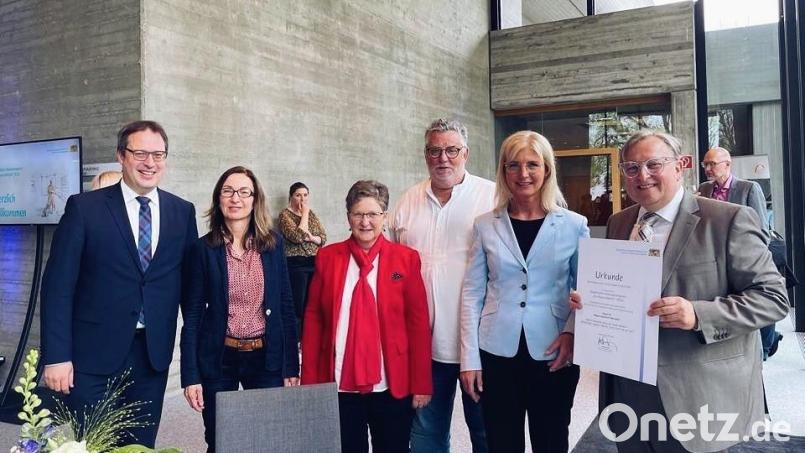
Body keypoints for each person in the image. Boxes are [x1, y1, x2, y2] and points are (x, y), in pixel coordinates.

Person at [570, 130, 788, 452]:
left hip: (699, 396)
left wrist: (698, 314)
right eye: (631, 168)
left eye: (653, 164)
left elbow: (772, 297)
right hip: (629, 392)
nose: (642, 176)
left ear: (679, 166)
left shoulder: (727, 220)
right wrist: (591, 302)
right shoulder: (619, 222)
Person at [40, 120, 198, 447]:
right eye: (140, 153)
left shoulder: (182, 212)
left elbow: (189, 290)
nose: (149, 162)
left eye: (158, 154)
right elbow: (58, 287)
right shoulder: (84, 209)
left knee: (139, 445)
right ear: (121, 156)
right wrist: (56, 356)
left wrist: (194, 364)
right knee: (94, 445)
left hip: (151, 356)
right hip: (91, 357)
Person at [459, 131, 589, 453]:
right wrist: (469, 358)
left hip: (554, 350)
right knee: (501, 442)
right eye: (513, 165)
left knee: (552, 440)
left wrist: (572, 334)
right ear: (503, 172)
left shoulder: (574, 225)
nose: (523, 174)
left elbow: (586, 291)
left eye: (532, 164)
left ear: (546, 169)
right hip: (496, 351)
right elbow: (472, 294)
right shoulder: (485, 225)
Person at [301, 180, 432, 453]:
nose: (365, 222)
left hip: (391, 383)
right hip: (339, 384)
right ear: (348, 217)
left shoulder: (405, 259)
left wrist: (422, 382)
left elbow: (418, 324)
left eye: (373, 214)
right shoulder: (327, 257)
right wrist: (310, 383)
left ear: (384, 217)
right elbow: (314, 321)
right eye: (358, 214)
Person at [389, 118, 493, 453]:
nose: (442, 158)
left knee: (486, 432)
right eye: (434, 151)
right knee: (425, 437)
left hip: (479, 344)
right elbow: (389, 266)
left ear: (466, 153)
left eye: (451, 150)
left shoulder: (491, 197)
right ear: (425, 155)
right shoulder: (407, 201)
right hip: (424, 348)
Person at [180, 166, 299, 452]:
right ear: (218, 198)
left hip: (265, 357)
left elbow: (285, 305)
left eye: (244, 192)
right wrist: (191, 375)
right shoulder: (202, 249)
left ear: (254, 198)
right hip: (219, 358)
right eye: (228, 191)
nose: (236, 198)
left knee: (266, 439)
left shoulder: (273, 244)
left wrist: (290, 365)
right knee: (222, 440)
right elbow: (193, 315)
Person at [698, 146, 782, 359]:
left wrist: (756, 259)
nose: (708, 168)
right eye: (705, 164)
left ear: (727, 164)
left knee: (757, 299)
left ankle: (764, 347)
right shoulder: (704, 189)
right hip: (715, 258)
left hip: (745, 258)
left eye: (712, 164)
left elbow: (762, 227)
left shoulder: (748, 189)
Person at [278, 182, 326, 336]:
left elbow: (323, 238)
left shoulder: (312, 215)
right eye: (298, 195)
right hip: (296, 264)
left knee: (312, 304)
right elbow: (298, 237)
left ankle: (307, 340)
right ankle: (295, 341)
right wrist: (304, 214)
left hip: (314, 262)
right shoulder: (285, 215)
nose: (302, 199)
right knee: (298, 305)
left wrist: (312, 238)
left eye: (305, 195)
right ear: (291, 197)